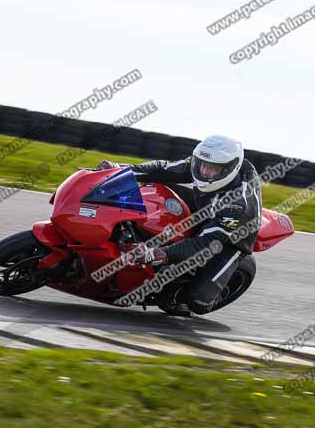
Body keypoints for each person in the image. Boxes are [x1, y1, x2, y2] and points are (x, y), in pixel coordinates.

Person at [97, 135, 261, 315]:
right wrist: (121, 169)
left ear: (231, 169)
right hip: (207, 204)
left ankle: (178, 292)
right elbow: (165, 168)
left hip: (230, 240)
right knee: (156, 186)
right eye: (202, 164)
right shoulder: (207, 164)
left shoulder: (239, 207)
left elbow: (204, 244)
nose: (204, 172)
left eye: (212, 168)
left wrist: (156, 253)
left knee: (199, 302)